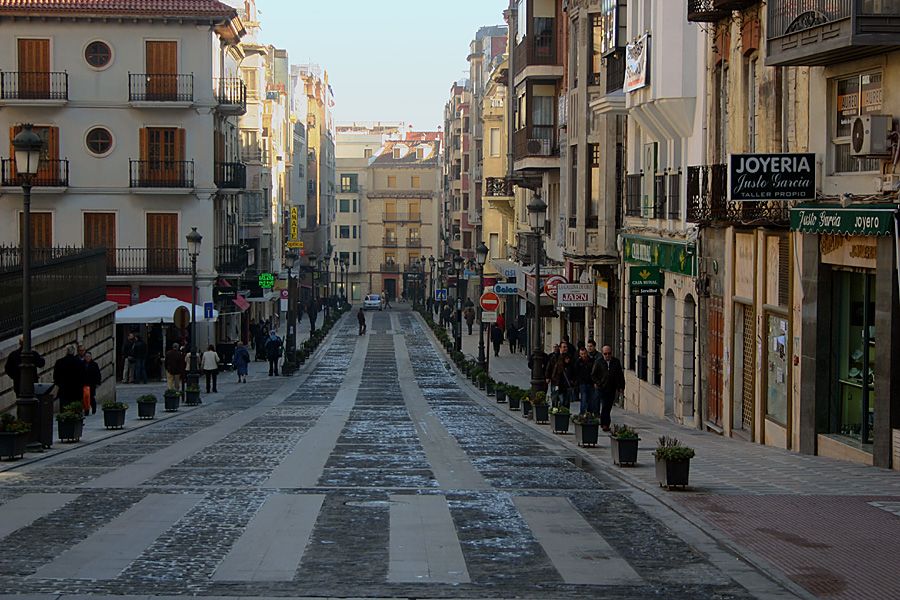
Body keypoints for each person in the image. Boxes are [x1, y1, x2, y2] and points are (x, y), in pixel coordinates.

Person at [592, 344, 626, 431]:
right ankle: (605, 424)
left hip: (612, 387)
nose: (607, 355)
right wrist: (598, 383)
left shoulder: (616, 362)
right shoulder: (598, 362)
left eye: (609, 353)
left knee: (608, 406)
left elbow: (620, 375)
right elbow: (593, 375)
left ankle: (605, 422)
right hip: (602, 388)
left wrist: (621, 387)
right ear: (602, 354)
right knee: (604, 406)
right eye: (605, 354)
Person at [53, 344, 85, 411]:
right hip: (76, 390)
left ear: (66, 352)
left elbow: (56, 377)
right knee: (76, 410)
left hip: (64, 390)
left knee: (64, 408)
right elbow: (83, 377)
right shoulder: (79, 362)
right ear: (73, 352)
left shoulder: (59, 362)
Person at [549, 341, 575, 408]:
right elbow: (549, 367)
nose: (565, 348)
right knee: (555, 399)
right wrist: (548, 377)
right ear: (560, 348)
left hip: (566, 382)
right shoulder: (555, 357)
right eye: (564, 347)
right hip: (556, 382)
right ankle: (555, 413)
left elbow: (573, 369)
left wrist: (573, 380)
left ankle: (564, 414)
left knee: (565, 401)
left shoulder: (570, 357)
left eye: (566, 347)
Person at [574, 346, 598, 415]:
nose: (583, 355)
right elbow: (576, 372)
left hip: (591, 382)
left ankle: (590, 413)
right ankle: (582, 413)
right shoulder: (578, 362)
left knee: (591, 399)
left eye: (584, 353)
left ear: (586, 353)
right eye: (581, 354)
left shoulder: (592, 361)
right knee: (583, 398)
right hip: (582, 383)